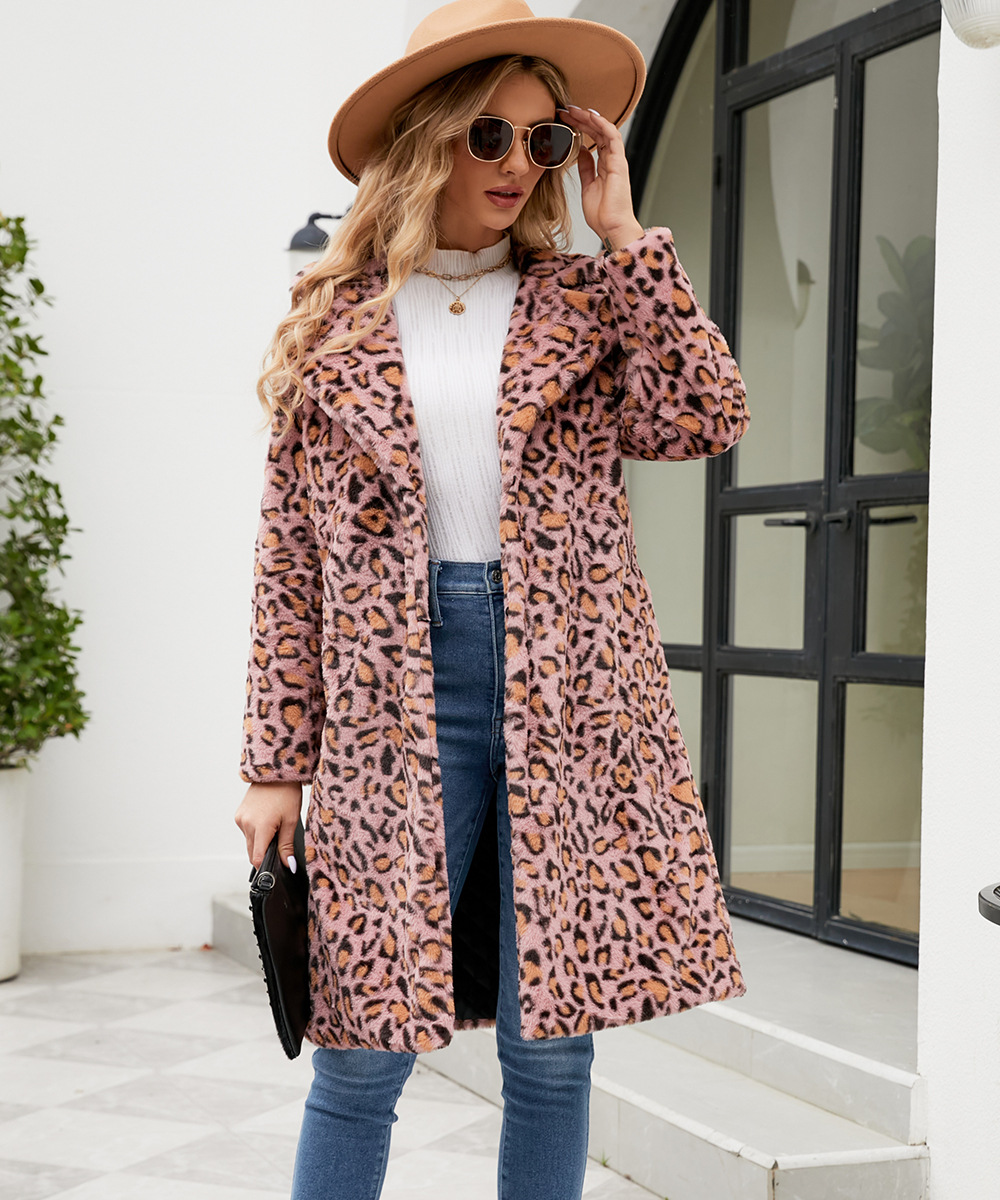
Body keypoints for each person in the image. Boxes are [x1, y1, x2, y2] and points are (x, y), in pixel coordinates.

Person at [234, 1, 750, 1197]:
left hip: (569, 693)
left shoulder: (586, 302)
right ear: (428, 141)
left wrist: (624, 234)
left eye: (543, 139)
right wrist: (273, 764)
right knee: (359, 1049)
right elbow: (288, 564)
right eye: (489, 136)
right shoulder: (336, 326)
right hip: (390, 702)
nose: (520, 163)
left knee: (552, 1049)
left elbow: (705, 415)